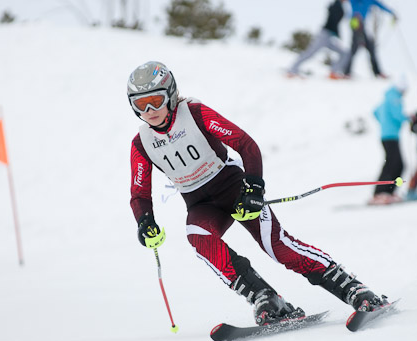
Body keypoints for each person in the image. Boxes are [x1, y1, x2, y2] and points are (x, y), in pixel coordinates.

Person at [128, 61, 388, 326]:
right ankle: (265, 298)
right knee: (198, 237)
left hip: (234, 189)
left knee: (277, 246)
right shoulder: (142, 143)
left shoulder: (194, 114)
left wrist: (253, 188)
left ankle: (353, 289)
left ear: (170, 95)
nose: (150, 111)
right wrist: (145, 221)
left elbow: (245, 144)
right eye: (141, 105)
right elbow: (139, 194)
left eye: (156, 101)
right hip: (201, 204)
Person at [370, 76, 409, 205]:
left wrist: (384, 123)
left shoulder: (387, 97)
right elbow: (398, 115)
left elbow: (375, 112)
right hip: (391, 136)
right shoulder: (395, 98)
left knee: (392, 163)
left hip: (386, 135)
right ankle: (382, 192)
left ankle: (385, 192)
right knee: (396, 164)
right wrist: (408, 119)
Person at [287, 0, 350, 79]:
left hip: (330, 36)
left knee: (344, 53)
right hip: (324, 35)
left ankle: (333, 72)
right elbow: (333, 20)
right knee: (310, 53)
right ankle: (292, 70)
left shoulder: (339, 6)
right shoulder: (336, 5)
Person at [344, 0, 397, 78]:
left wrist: (392, 13)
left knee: (370, 48)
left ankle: (377, 73)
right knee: (355, 48)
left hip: (362, 24)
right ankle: (346, 72)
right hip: (355, 23)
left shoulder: (370, 0)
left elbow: (381, 6)